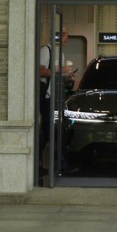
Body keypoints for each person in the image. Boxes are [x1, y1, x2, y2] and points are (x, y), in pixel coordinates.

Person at [39, 28, 76, 174]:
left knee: (50, 131)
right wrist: (60, 69)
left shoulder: (60, 53)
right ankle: (59, 163)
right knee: (50, 130)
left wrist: (66, 76)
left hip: (55, 96)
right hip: (47, 97)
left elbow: (56, 74)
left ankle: (51, 163)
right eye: (65, 35)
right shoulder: (45, 50)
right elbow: (40, 71)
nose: (67, 37)